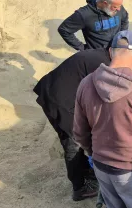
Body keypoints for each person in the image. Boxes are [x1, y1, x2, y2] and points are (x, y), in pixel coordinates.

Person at [73, 30, 132, 208]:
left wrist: (94, 153)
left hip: (102, 168)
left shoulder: (86, 83)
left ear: (110, 52)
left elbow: (79, 132)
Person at [33, 48, 110, 201]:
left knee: (74, 138)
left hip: (51, 92)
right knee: (73, 142)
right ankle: (79, 188)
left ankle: (86, 171)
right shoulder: (105, 65)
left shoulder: (99, 55)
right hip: (61, 101)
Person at [58, 0, 129, 51]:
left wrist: (122, 36)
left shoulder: (117, 6)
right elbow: (64, 30)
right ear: (105, 3)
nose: (119, 9)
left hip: (116, 51)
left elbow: (124, 19)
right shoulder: (84, 14)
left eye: (120, 5)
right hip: (98, 56)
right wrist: (82, 48)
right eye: (115, 7)